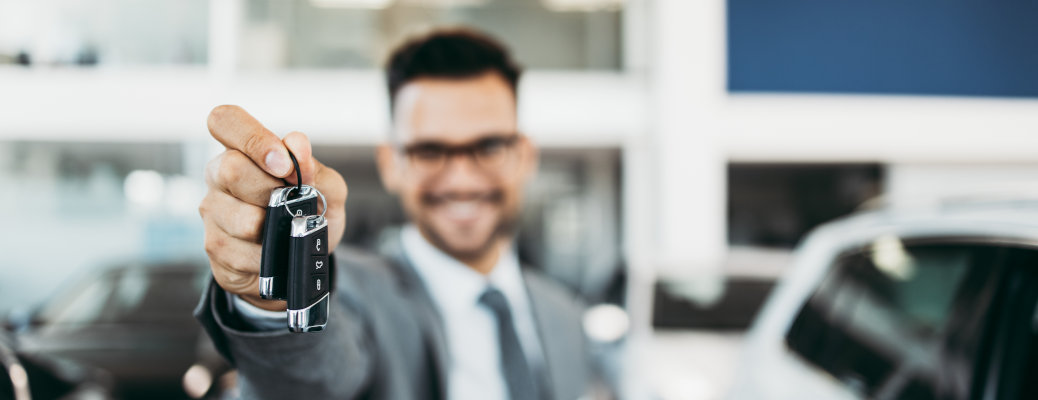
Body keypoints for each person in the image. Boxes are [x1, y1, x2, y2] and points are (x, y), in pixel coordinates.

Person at [195, 28, 605, 399]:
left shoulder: (564, 313)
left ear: (524, 158)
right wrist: (281, 292)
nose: (461, 179)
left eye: (489, 147)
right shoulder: (352, 293)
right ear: (391, 164)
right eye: (430, 150)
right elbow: (307, 381)